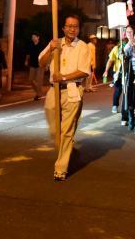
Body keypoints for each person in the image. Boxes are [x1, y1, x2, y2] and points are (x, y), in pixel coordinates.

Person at [39, 14, 90, 181]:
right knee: (55, 131)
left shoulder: (83, 46)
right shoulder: (55, 43)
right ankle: (68, 150)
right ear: (63, 28)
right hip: (54, 90)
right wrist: (51, 49)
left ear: (79, 29)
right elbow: (41, 62)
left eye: (75, 26)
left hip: (72, 90)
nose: (72, 29)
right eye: (69, 26)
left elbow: (84, 71)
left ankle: (60, 169)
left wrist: (64, 77)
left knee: (67, 131)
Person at [103, 35, 128, 114]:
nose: (124, 42)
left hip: (128, 72)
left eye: (125, 41)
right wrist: (106, 71)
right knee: (118, 90)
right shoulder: (116, 49)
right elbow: (110, 60)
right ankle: (115, 106)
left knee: (127, 91)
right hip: (117, 72)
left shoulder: (130, 48)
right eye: (123, 41)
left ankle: (127, 107)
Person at [25, 32, 44, 100]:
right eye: (32, 37)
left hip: (40, 65)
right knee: (30, 80)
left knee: (39, 81)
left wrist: (46, 64)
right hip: (32, 64)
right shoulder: (31, 45)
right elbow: (28, 54)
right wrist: (26, 61)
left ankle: (38, 94)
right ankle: (39, 92)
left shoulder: (42, 45)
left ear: (38, 37)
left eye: (34, 37)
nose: (33, 38)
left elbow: (45, 55)